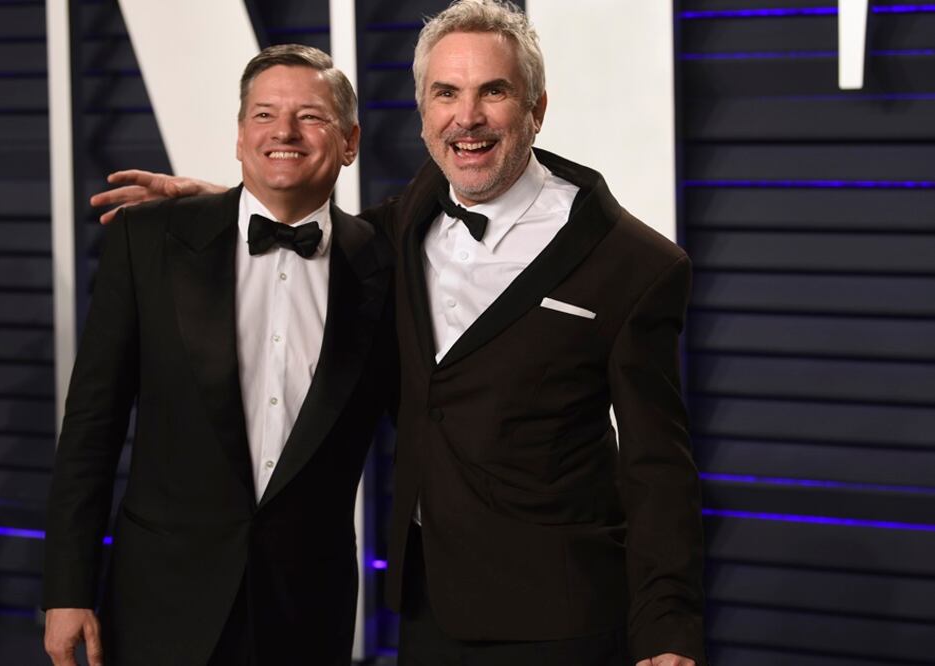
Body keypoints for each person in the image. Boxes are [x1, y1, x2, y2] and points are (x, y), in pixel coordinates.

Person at [93, 2, 705, 664]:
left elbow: (657, 467)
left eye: (493, 92)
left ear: (536, 108)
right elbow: (305, 239)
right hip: (425, 608)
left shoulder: (633, 263)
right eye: (446, 93)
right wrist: (224, 205)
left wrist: (667, 628)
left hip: (563, 615)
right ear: (422, 112)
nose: (466, 117)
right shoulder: (393, 232)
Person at [42, 44, 395, 666]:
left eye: (310, 116)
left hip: (307, 612)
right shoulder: (149, 241)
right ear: (238, 136)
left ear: (350, 142)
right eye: (264, 115)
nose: (283, 131)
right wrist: (67, 590)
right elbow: (92, 427)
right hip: (159, 601)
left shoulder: (386, 265)